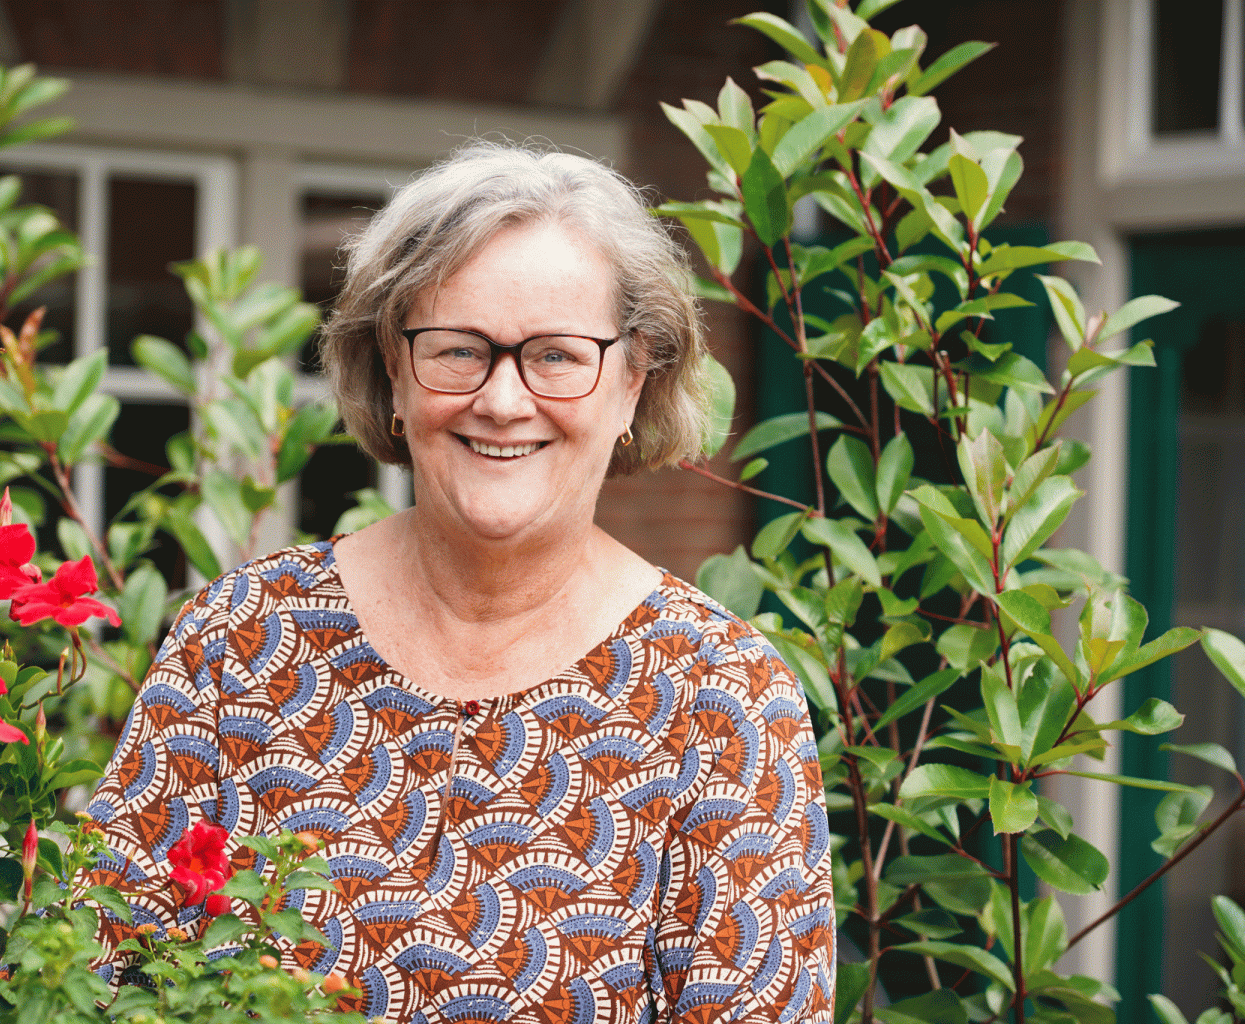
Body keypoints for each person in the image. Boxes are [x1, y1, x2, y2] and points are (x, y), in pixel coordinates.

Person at [82, 142, 835, 1023]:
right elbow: (94, 975)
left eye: (557, 356)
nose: (503, 401)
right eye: (458, 349)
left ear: (634, 382)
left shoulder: (721, 696)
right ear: (393, 370)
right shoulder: (242, 637)